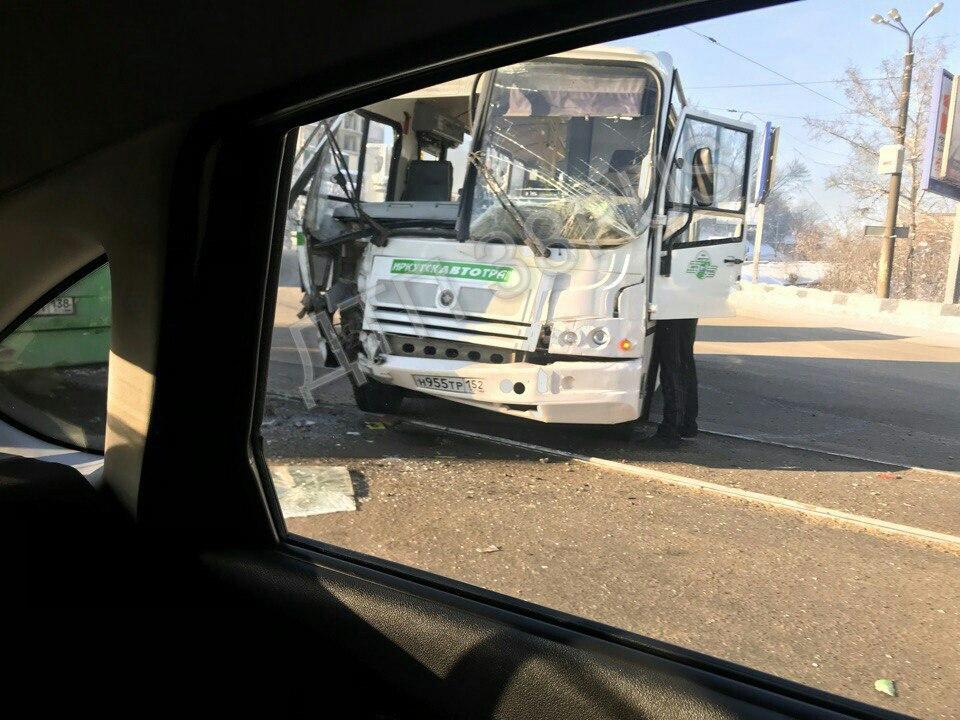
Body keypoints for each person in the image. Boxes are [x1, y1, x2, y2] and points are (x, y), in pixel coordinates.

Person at [641, 318, 699, 449]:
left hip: (671, 310)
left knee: (672, 361)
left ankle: (672, 428)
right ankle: (686, 424)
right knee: (683, 359)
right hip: (683, 307)